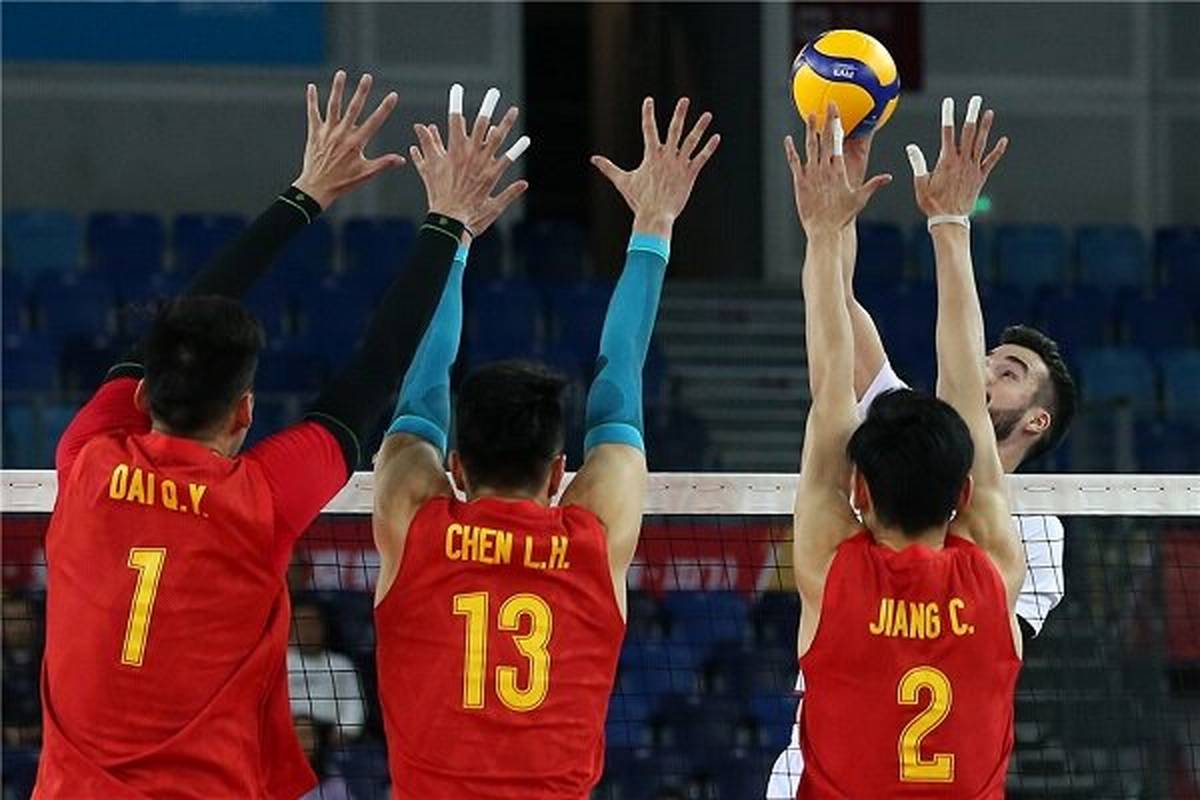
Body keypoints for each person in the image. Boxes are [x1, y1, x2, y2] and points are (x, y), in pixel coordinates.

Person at [33, 71, 526, 798]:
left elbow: (197, 324)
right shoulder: (258, 500)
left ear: (139, 393)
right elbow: (377, 365)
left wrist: (306, 194)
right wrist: (447, 220)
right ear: (245, 412)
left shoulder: (87, 458)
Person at [370, 95, 719, 798]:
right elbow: (619, 383)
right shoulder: (592, 538)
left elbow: (422, 387)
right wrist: (653, 225)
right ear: (560, 472)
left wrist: (452, 229)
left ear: (455, 466)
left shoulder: (415, 523)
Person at [766, 97, 1077, 798]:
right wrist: (940, 224)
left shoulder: (838, 562)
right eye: (990, 361)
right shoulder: (992, 552)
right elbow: (935, 376)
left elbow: (830, 376)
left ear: (861, 488)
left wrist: (825, 228)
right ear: (963, 494)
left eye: (1009, 372)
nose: (987, 372)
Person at [289, 599, 366, 742]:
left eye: (312, 625)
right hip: (287, 731)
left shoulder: (341, 664)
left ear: (323, 627)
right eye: (301, 625)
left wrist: (344, 731)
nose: (307, 631)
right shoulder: (279, 663)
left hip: (330, 736)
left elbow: (354, 704)